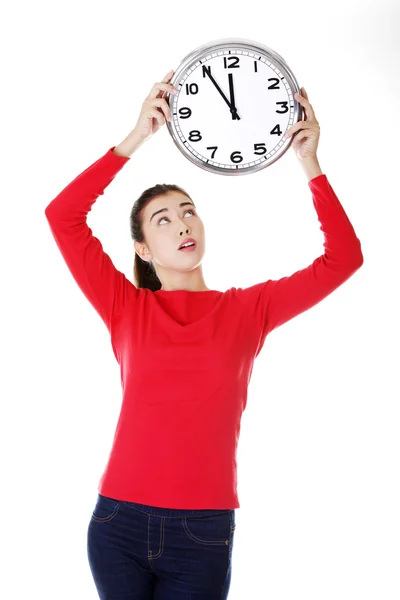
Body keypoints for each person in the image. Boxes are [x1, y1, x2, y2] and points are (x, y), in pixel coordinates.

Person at [44, 69, 363, 599]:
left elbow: (343, 260)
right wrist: (136, 137)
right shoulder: (124, 305)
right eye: (163, 220)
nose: (183, 224)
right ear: (143, 249)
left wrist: (309, 161)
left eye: (188, 211)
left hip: (203, 533)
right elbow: (63, 216)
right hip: (117, 524)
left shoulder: (248, 309)